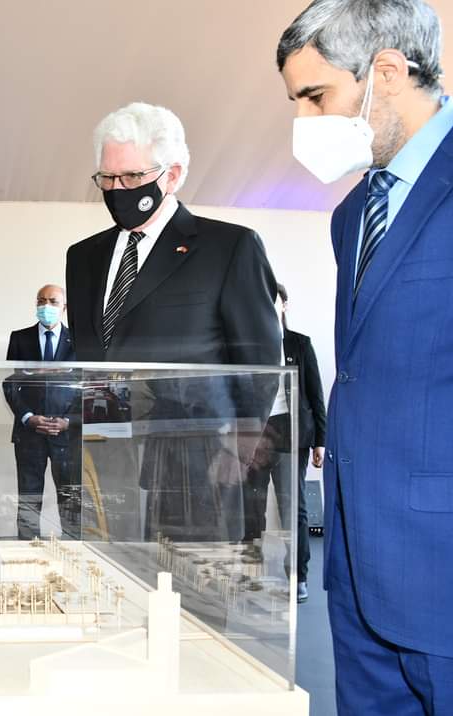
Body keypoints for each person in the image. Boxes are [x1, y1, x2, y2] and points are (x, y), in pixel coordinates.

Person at [278, 0, 453, 710]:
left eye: (316, 96)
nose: (304, 120)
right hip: (357, 569)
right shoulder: (352, 213)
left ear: (386, 72)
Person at [66, 102, 282, 542]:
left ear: (173, 174)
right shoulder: (83, 257)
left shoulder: (230, 248)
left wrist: (239, 448)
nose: (117, 189)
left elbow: (258, 361)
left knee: (189, 580)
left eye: (132, 177)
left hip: (199, 461)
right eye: (107, 178)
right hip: (105, 458)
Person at [243, 283, 327, 603]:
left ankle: (298, 576)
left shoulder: (299, 344)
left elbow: (316, 394)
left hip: (293, 435)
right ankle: (251, 571)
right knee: (252, 505)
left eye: (273, 300)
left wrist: (321, 440)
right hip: (257, 435)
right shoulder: (247, 347)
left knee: (293, 508)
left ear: (284, 306)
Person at [2, 284, 83, 539]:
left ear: (64, 307)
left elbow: (87, 387)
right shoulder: (20, 338)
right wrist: (28, 417)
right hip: (30, 434)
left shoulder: (80, 341)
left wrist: (69, 421)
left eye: (52, 301)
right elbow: (11, 383)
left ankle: (72, 550)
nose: (46, 306)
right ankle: (26, 551)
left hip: (67, 435)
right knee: (29, 497)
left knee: (70, 499)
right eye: (41, 300)